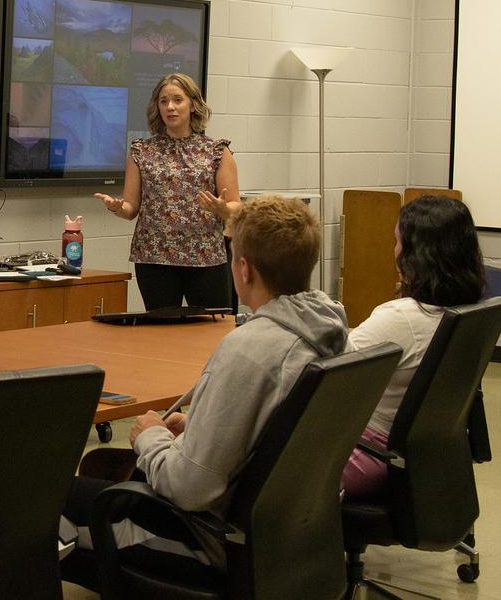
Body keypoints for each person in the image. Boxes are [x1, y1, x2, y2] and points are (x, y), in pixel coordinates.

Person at [61, 196, 347, 588]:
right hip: (292, 538)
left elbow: (189, 488)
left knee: (39, 502)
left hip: (206, 543)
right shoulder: (331, 333)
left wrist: (152, 437)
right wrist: (197, 425)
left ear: (243, 269)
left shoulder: (250, 350)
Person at [342, 195, 485, 499]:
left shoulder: (402, 318)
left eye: (397, 242)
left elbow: (331, 371)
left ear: (416, 255)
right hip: (422, 457)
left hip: (368, 452)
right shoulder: (470, 313)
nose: (393, 252)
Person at [94, 73, 240, 311]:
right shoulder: (141, 150)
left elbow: (236, 206)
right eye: (164, 101)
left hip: (205, 258)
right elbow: (131, 208)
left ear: (193, 104)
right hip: (154, 259)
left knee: (211, 332)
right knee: (160, 336)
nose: (170, 107)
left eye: (177, 100)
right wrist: (117, 207)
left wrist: (222, 208)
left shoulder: (216, 151)